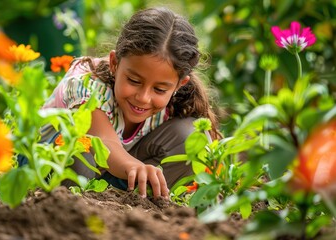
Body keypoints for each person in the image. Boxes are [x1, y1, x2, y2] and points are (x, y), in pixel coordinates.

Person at [25, 7, 220, 200]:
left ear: (179, 84)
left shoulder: (174, 102)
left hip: (111, 175)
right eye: (134, 81)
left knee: (192, 137)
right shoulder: (86, 82)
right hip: (48, 166)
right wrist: (136, 167)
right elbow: (102, 140)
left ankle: (133, 203)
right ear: (114, 63)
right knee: (80, 150)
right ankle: (69, 204)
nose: (143, 97)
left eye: (159, 90)